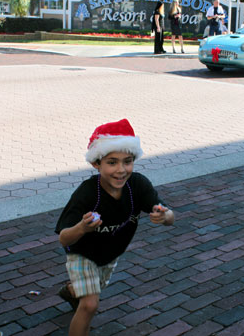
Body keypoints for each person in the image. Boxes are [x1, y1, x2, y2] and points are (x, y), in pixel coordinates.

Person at [55, 119, 175, 336]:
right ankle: (79, 295)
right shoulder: (87, 193)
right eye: (112, 162)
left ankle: (71, 291)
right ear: (96, 164)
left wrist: (165, 215)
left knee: (91, 290)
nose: (121, 170)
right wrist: (82, 227)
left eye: (127, 161)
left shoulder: (137, 185)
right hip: (81, 253)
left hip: (110, 255)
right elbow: (64, 238)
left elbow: (169, 215)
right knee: (90, 304)